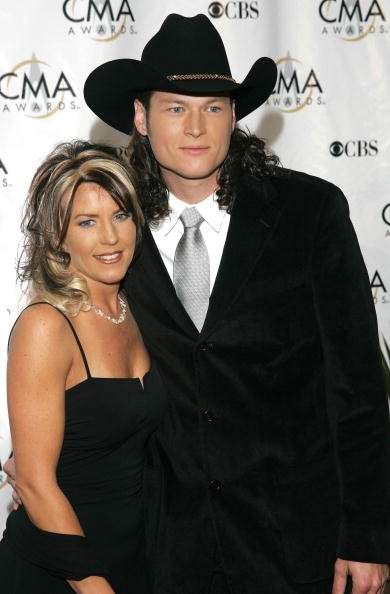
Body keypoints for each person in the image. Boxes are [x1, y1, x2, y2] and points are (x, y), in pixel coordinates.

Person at [5, 11, 389, 594]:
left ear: (235, 116)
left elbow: (358, 388)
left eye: (213, 106)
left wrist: (367, 539)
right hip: (167, 555)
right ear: (140, 116)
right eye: (175, 107)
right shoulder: (114, 233)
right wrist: (41, 477)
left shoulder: (310, 213)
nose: (195, 127)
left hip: (298, 544)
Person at [0, 140, 167, 594]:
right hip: (62, 571)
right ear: (58, 235)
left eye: (120, 215)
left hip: (134, 559)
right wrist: (95, 587)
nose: (110, 238)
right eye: (86, 222)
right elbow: (34, 484)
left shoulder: (141, 308)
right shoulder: (45, 326)